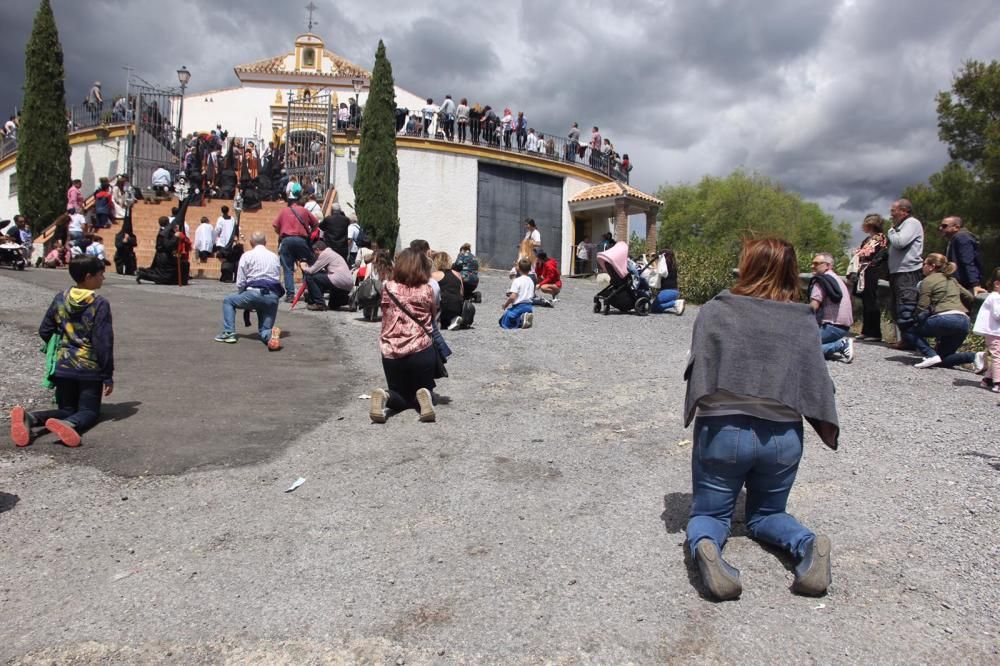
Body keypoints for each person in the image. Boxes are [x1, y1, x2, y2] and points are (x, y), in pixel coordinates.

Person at [683, 238, 839, 601]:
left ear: (748, 266)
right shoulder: (803, 319)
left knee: (712, 514)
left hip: (723, 431)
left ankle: (707, 544)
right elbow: (817, 382)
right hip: (783, 437)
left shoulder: (716, 309)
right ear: (790, 271)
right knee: (767, 514)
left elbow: (699, 367)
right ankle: (807, 544)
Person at [9, 255, 115, 448]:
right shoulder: (99, 304)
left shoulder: (61, 297)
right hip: (88, 369)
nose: (103, 278)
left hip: (63, 365)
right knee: (89, 411)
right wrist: (107, 375)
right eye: (101, 274)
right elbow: (103, 342)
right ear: (89, 276)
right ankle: (69, 425)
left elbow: (45, 330)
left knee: (67, 408)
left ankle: (30, 418)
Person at [369, 248, 439, 423]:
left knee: (399, 395)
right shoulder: (427, 290)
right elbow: (433, 317)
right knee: (422, 389)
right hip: (420, 347)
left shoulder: (388, 287)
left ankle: (385, 396)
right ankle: (424, 395)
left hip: (391, 350)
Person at [905, 253, 980, 369]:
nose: (922, 267)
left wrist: (914, 319)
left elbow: (922, 307)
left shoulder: (928, 281)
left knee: (907, 328)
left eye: (924, 264)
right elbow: (969, 297)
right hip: (964, 321)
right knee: (941, 359)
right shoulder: (952, 280)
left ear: (932, 266)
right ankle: (974, 356)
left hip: (944, 319)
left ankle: (929, 354)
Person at [214, 232, 283, 351]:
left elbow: (240, 281)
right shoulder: (274, 256)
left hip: (253, 292)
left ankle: (229, 332)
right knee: (264, 329)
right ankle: (270, 337)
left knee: (228, 301)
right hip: (272, 295)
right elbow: (277, 277)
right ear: (265, 243)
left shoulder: (247, 255)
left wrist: (242, 292)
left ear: (251, 243)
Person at [887, 199, 924, 348]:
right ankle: (907, 339)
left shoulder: (911, 223)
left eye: (893, 210)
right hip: (898, 272)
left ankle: (913, 342)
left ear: (904, 211)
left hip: (908, 272)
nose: (891, 214)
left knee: (905, 307)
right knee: (896, 307)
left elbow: (900, 243)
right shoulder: (902, 225)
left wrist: (891, 231)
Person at [808, 252, 855, 362]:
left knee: (800, 346)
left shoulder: (821, 281)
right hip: (843, 327)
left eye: (816, 263)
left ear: (828, 265)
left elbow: (812, 307)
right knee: (810, 345)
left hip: (831, 326)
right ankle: (829, 348)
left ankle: (839, 346)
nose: (812, 266)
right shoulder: (837, 279)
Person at [272, 191, 318, 301]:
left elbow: (275, 226)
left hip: (286, 240)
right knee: (307, 266)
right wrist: (311, 234)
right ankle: (308, 290)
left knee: (288, 268)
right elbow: (316, 223)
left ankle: (290, 295)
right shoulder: (304, 210)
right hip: (302, 240)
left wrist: (281, 233)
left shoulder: (283, 211)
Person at [851, 214, 888, 341]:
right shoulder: (868, 239)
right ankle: (866, 330)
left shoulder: (880, 238)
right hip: (864, 271)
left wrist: (860, 253)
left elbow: (873, 253)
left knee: (872, 300)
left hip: (872, 271)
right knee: (866, 301)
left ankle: (875, 333)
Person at [299, 240, 354, 311]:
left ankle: (319, 303)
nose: (314, 255)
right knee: (333, 305)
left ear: (317, 250)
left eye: (314, 252)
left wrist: (303, 267)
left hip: (338, 280)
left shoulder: (325, 254)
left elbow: (311, 271)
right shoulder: (332, 253)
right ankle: (350, 300)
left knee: (311, 277)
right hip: (347, 284)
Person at [941, 216, 985, 294]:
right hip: (960, 283)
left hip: (966, 285)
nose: (940, 228)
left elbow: (967, 261)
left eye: (944, 226)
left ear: (956, 227)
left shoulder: (962, 238)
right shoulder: (955, 239)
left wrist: (975, 284)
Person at [973, 267, 1000, 391]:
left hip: (995, 332)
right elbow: (997, 314)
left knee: (997, 355)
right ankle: (998, 382)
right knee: (997, 356)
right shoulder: (995, 297)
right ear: (997, 283)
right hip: (994, 332)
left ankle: (987, 379)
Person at [431, 251, 465, 330]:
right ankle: (452, 319)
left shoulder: (435, 275)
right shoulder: (457, 274)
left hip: (443, 307)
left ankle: (439, 321)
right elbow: (462, 293)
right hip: (457, 307)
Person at [500, 258, 535, 329]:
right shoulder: (531, 281)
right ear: (529, 269)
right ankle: (524, 317)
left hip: (519, 307)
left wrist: (505, 305)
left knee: (504, 320)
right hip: (529, 307)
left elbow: (512, 297)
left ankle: (521, 319)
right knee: (510, 315)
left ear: (518, 268)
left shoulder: (517, 281)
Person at [650, 249, 685, 314]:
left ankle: (674, 303)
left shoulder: (665, 267)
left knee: (653, 308)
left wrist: (653, 259)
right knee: (656, 306)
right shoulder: (673, 265)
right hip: (675, 292)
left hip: (666, 292)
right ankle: (674, 302)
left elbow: (657, 271)